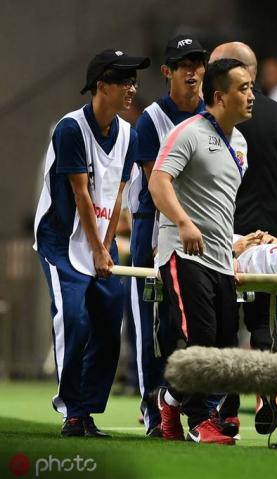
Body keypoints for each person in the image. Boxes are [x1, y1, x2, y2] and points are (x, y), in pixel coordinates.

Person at [33, 49, 149, 437]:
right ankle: (71, 410)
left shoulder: (129, 134)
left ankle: (87, 411)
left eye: (134, 82)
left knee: (109, 320)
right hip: (61, 242)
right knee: (74, 319)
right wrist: (97, 249)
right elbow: (81, 193)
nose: (132, 88)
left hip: (100, 239)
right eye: (125, 81)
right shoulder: (71, 129)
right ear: (102, 86)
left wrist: (107, 244)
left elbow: (117, 195)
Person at [209, 42, 277, 435]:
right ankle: (266, 388)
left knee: (222, 324)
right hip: (272, 241)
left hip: (224, 239)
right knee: (266, 319)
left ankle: (226, 408)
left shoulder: (215, 119)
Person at [148, 59, 253, 445]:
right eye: (243, 88)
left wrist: (232, 249)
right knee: (202, 339)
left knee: (224, 347)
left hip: (220, 258)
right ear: (220, 96)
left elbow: (220, 205)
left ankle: (169, 401)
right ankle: (200, 421)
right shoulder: (188, 133)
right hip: (184, 253)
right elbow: (158, 182)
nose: (251, 96)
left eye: (252, 87)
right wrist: (183, 222)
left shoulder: (241, 143)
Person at [128, 34, 206, 438]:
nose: (192, 72)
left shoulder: (214, 114)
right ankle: (153, 412)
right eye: (183, 65)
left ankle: (198, 410)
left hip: (203, 226)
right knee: (153, 328)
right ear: (167, 72)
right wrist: (174, 227)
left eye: (197, 64)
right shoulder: (151, 120)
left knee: (198, 323)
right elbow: (154, 185)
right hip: (154, 226)